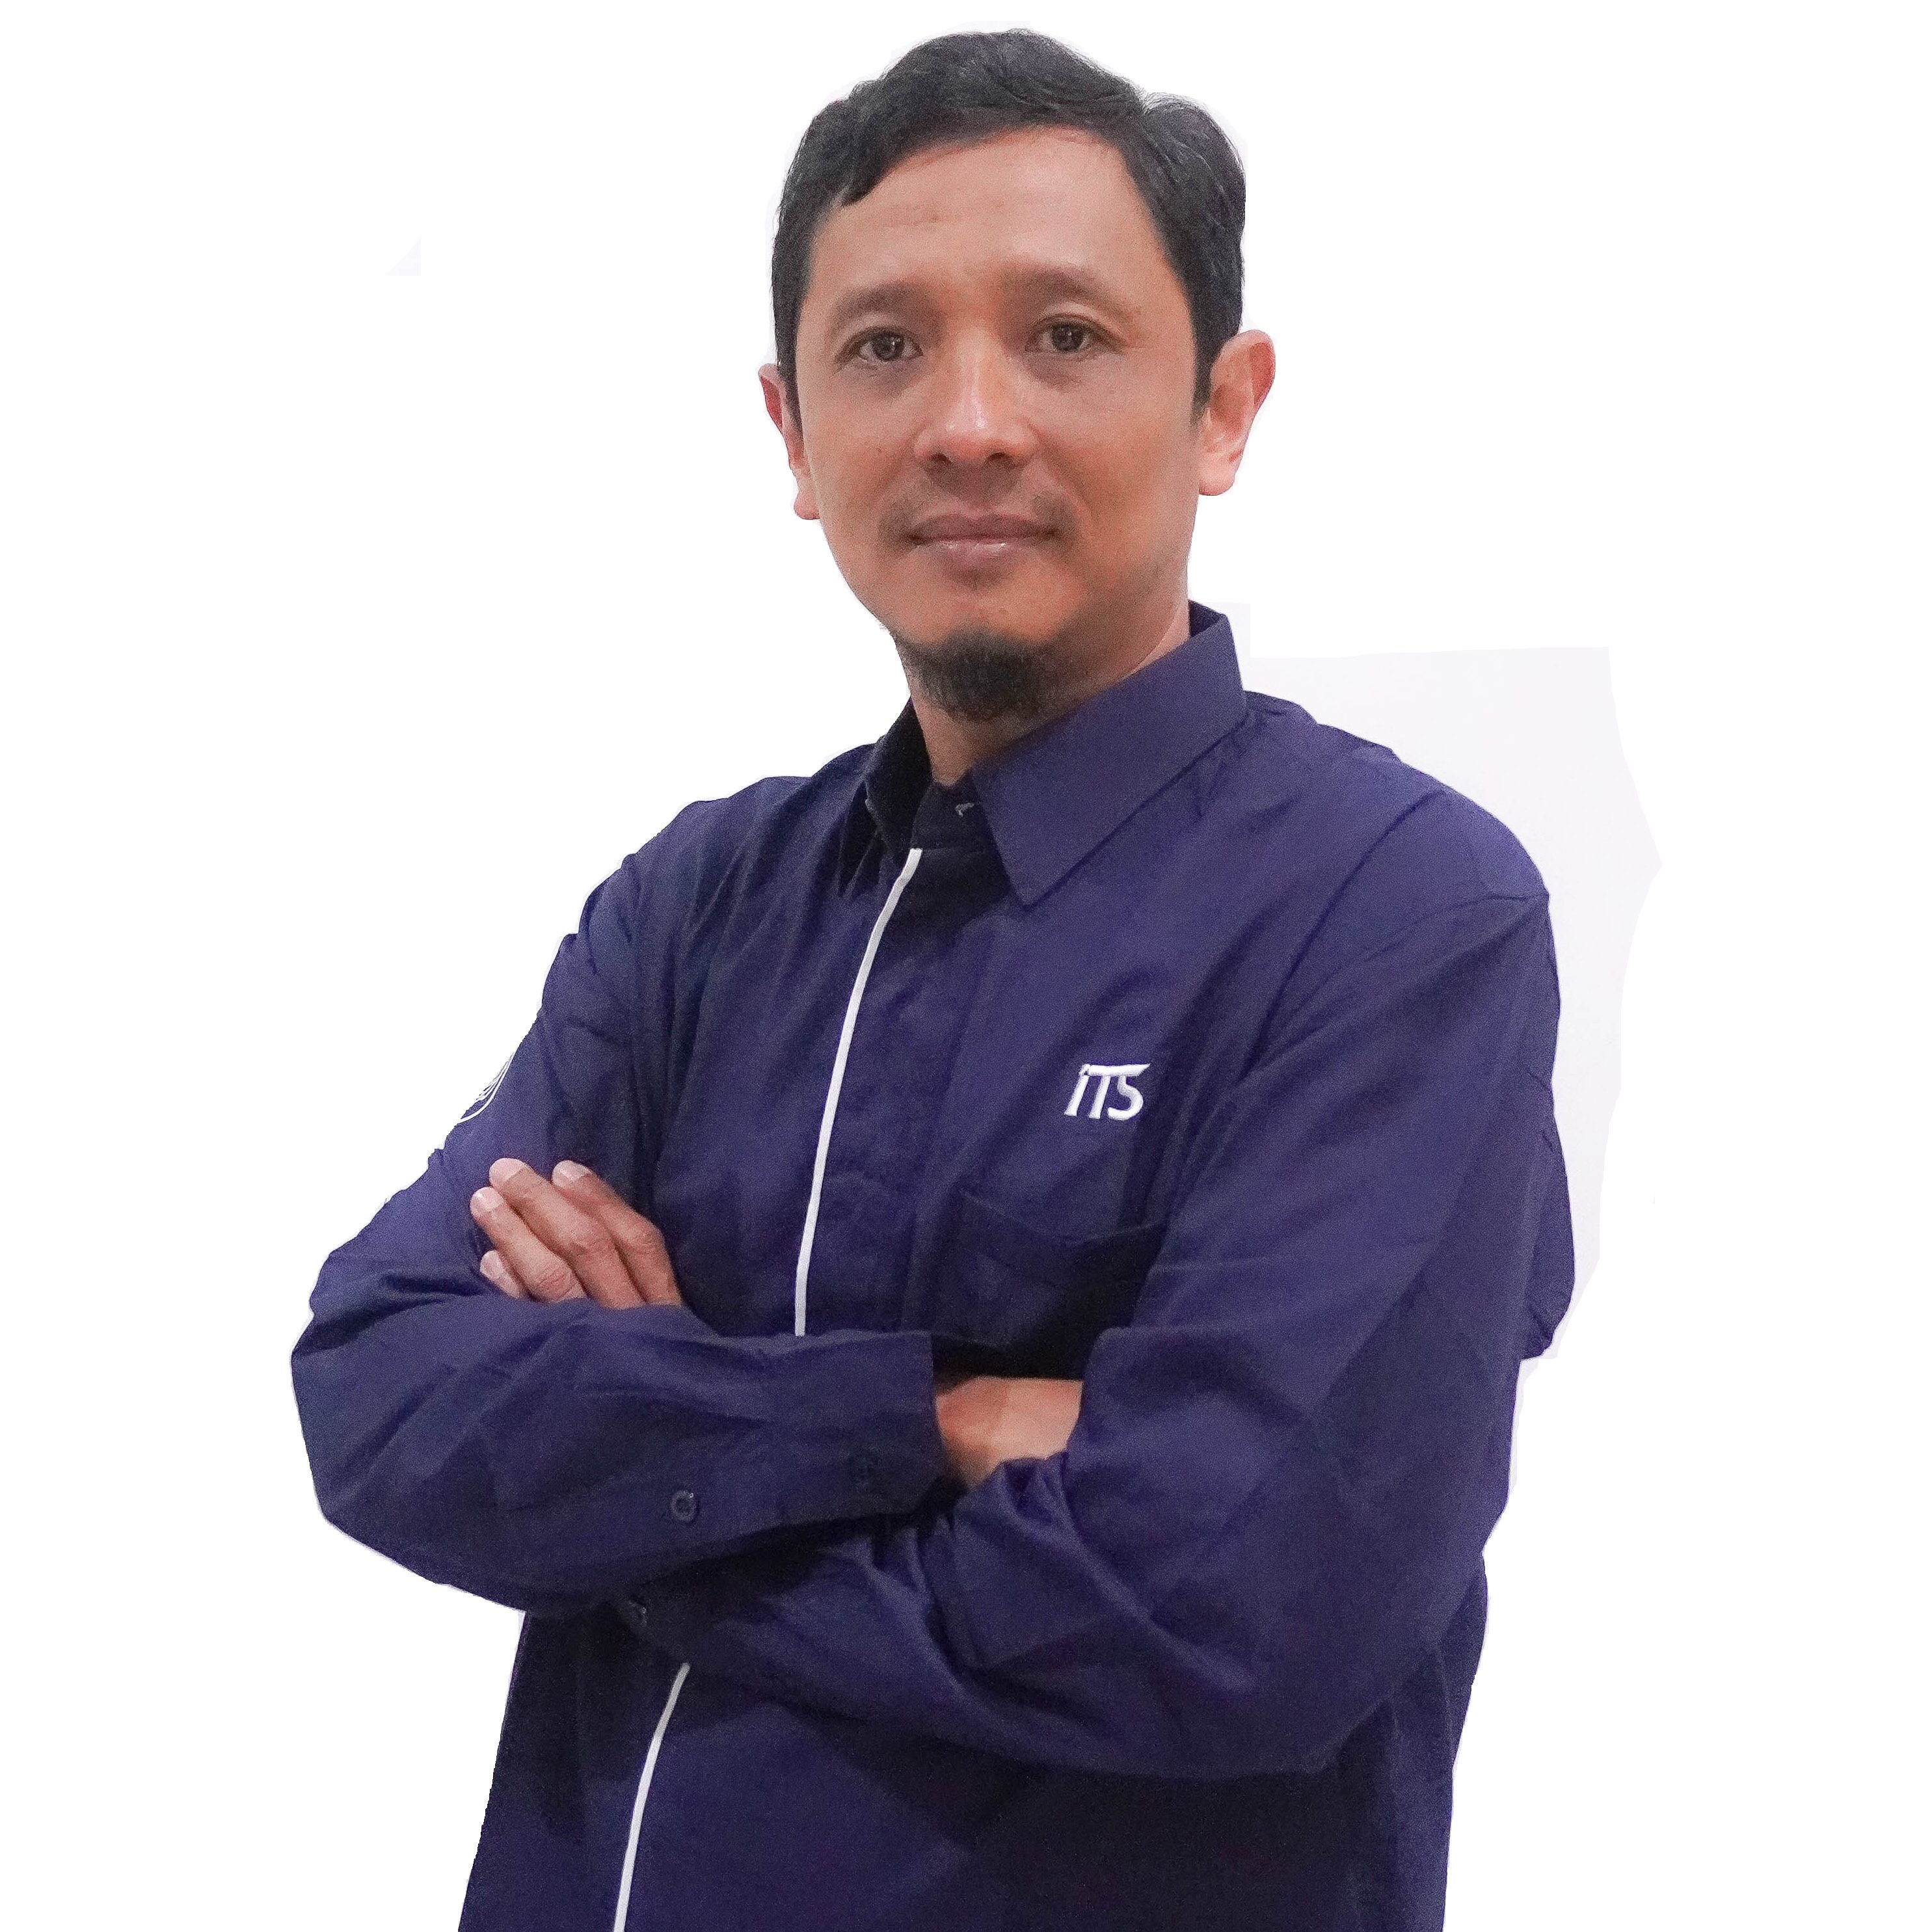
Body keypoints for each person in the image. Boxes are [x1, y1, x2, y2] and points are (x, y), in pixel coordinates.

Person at [292, 29, 1574, 1932]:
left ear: (1223, 408)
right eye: (884, 347)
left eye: (1064, 336)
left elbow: (1226, 1604)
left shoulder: (1391, 917)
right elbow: (386, 1394)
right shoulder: (701, 904)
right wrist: (937, 1422)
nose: (969, 421)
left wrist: (644, 1481)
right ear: (793, 435)